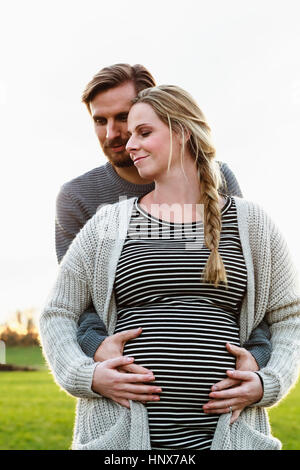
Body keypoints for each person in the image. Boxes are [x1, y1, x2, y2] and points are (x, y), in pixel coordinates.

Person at [40, 84, 300, 450]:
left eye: (144, 133)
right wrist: (89, 376)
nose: (129, 145)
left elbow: (290, 317)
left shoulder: (251, 222)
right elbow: (58, 313)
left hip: (231, 438)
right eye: (130, 135)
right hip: (120, 440)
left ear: (183, 132)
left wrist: (267, 382)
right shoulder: (108, 222)